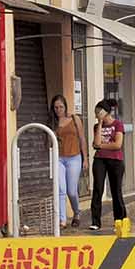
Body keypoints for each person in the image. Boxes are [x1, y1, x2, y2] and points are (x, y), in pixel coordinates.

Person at [88, 99, 127, 231]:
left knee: (116, 191)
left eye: (98, 113)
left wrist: (101, 146)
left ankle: (120, 220)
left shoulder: (118, 124)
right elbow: (95, 143)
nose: (96, 115)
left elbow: (117, 145)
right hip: (100, 160)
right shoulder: (97, 126)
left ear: (105, 112)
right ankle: (95, 221)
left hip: (115, 160)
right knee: (97, 189)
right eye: (96, 113)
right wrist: (99, 124)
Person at [51, 95, 86, 228]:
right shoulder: (52, 122)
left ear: (65, 107)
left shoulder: (74, 119)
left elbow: (82, 139)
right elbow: (49, 142)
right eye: (56, 107)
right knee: (61, 189)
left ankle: (76, 212)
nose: (58, 110)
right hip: (59, 158)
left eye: (61, 107)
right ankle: (62, 220)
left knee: (71, 191)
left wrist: (85, 158)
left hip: (74, 157)